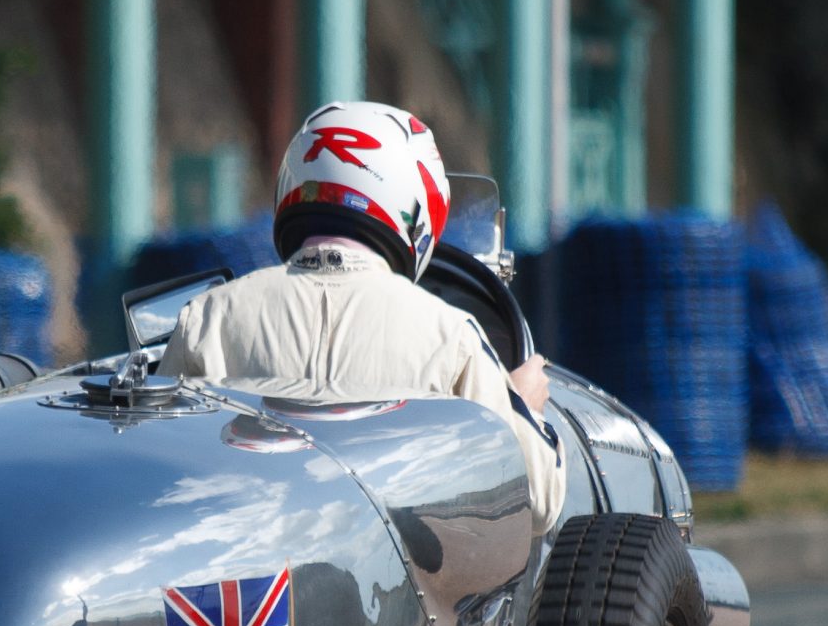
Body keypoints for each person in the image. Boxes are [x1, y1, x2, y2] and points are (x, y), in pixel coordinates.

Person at [161, 102, 566, 530]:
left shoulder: (207, 318)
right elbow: (536, 503)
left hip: (246, 582)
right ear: (415, 205)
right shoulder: (451, 336)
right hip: (389, 589)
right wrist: (523, 407)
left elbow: (159, 472)